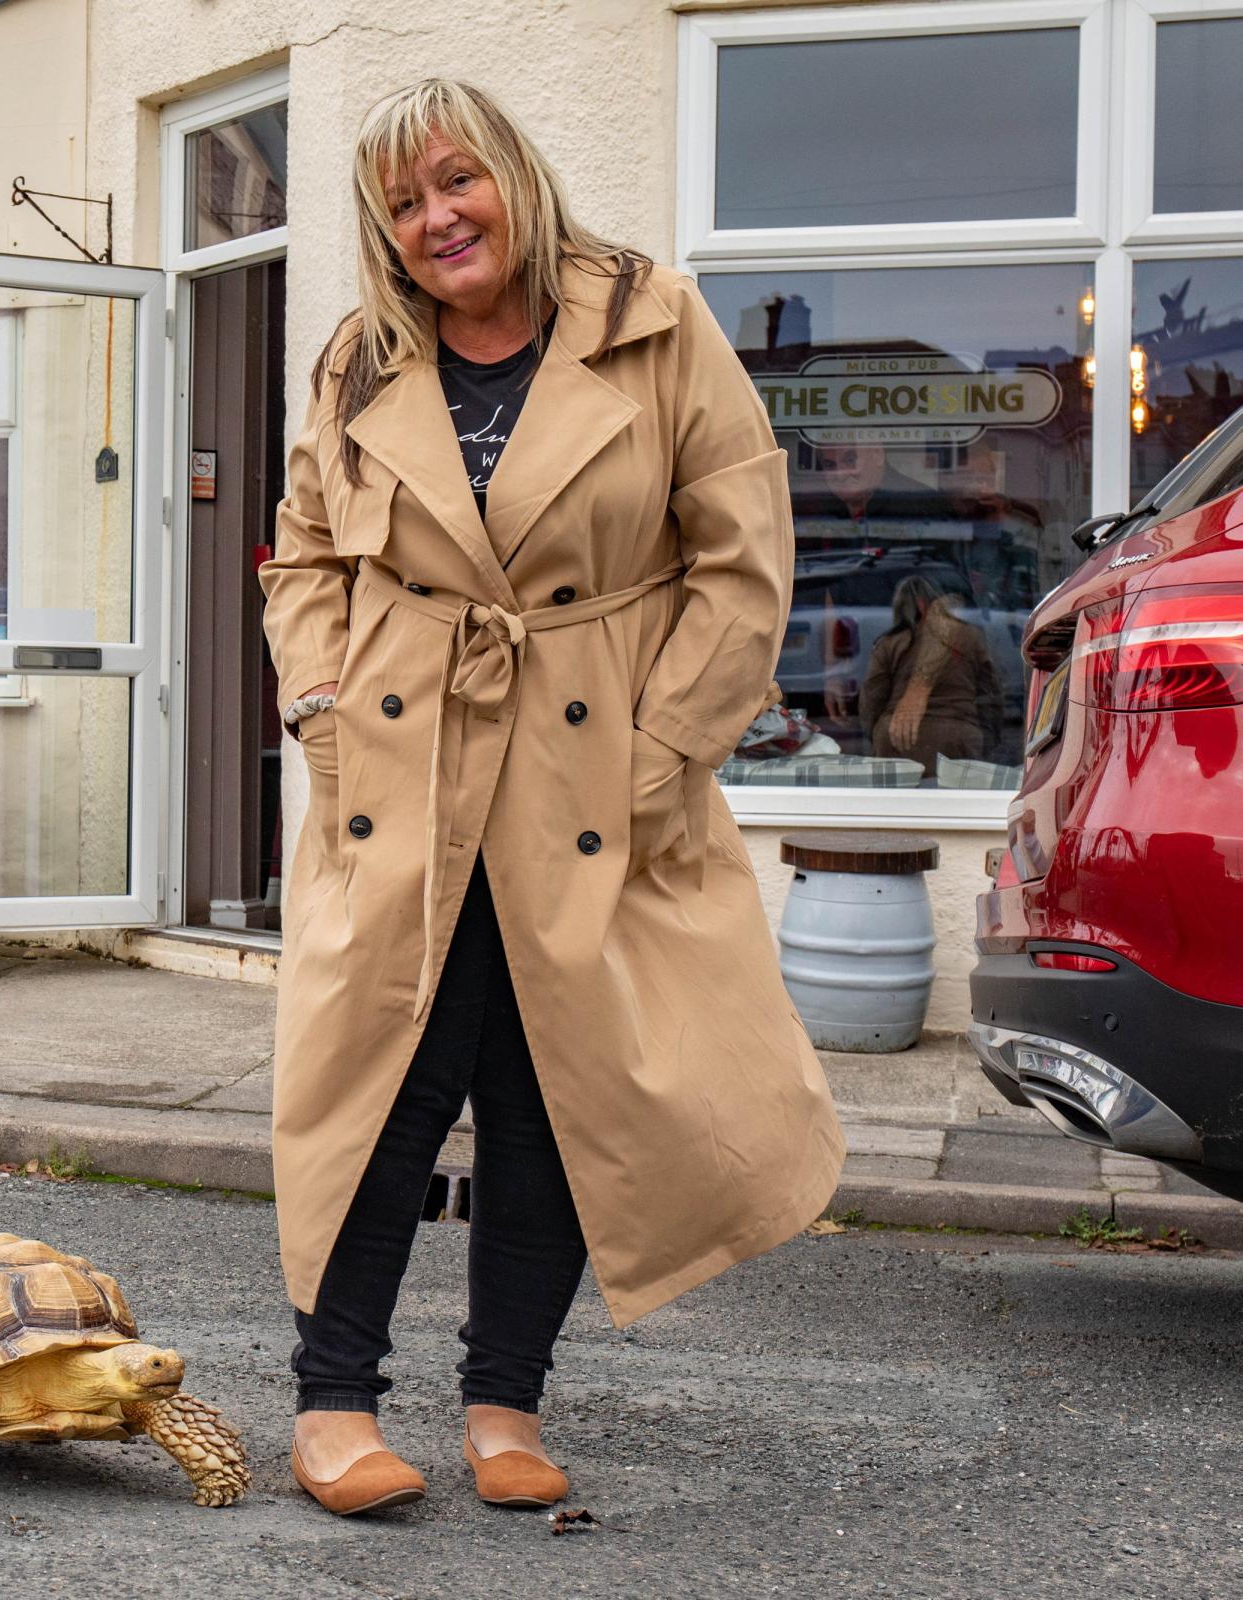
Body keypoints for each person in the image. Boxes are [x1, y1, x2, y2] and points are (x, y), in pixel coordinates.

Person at [259, 79, 842, 1517]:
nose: (437, 218)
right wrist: (323, 710)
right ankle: (333, 1402)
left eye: (458, 181)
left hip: (596, 764)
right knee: (378, 1087)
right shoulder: (356, 360)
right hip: (405, 762)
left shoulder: (654, 323)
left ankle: (503, 1404)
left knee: (558, 1099)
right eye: (403, 201)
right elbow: (306, 555)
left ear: (514, 175)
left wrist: (661, 753)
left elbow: (742, 552)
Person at [861, 576, 1003, 778]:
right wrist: (988, 739)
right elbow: (991, 694)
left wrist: (875, 734)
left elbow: (871, 700)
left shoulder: (888, 644)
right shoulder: (971, 637)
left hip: (894, 739)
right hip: (958, 737)